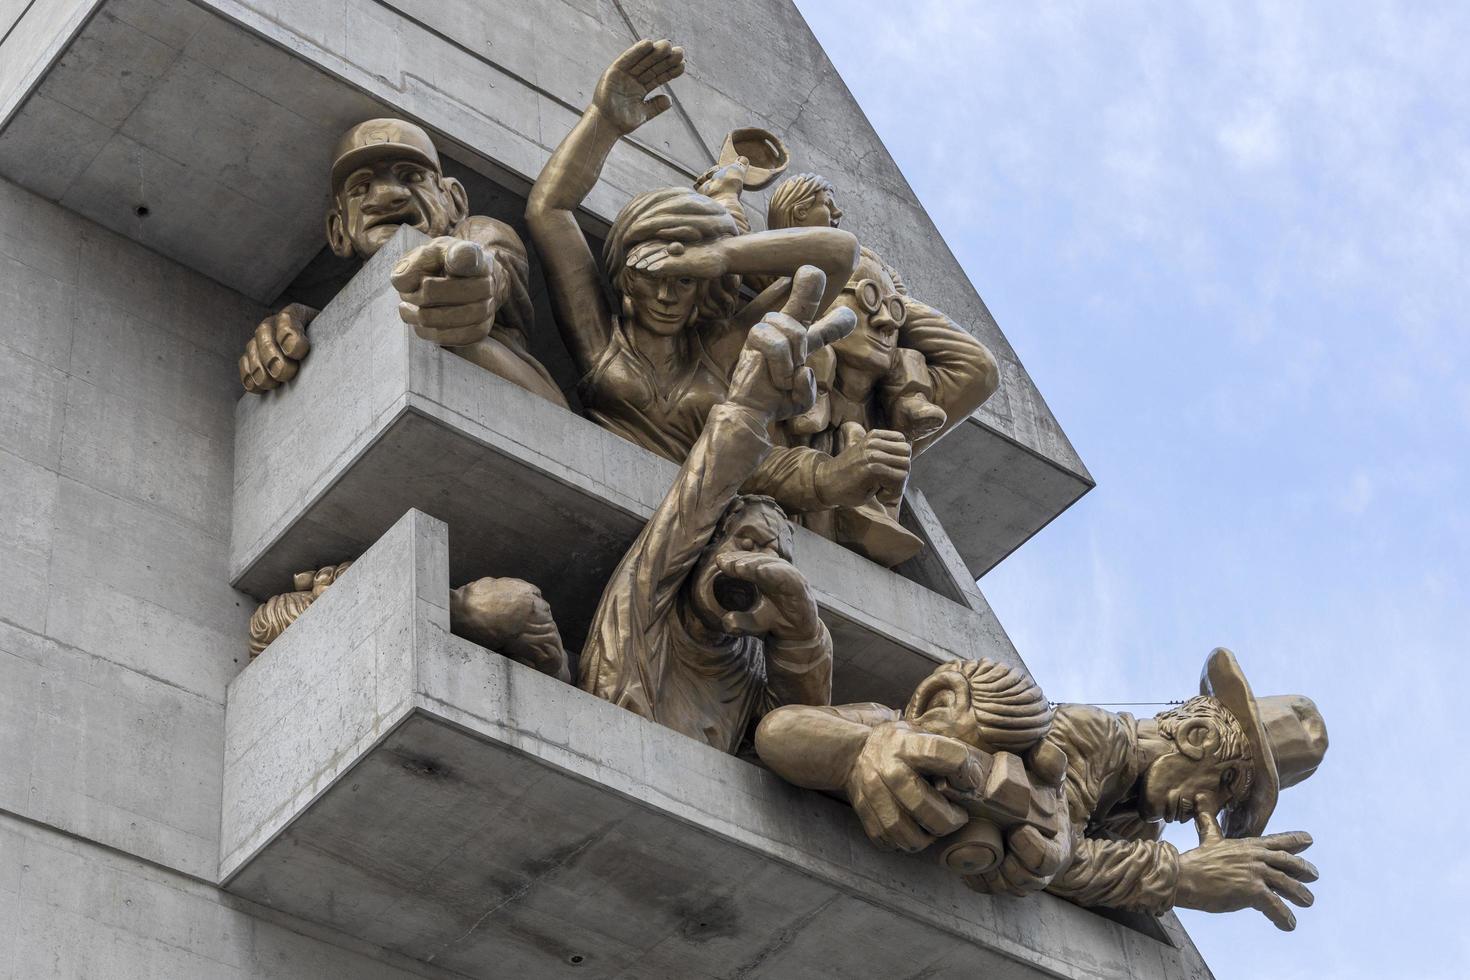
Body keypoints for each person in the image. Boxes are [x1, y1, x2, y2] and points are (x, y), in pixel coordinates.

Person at [526, 40, 904, 519]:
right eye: (649, 277)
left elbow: (840, 254)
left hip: (706, 523)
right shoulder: (602, 340)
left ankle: (726, 189)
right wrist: (603, 121)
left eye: (681, 281)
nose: (665, 294)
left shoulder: (724, 348)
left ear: (702, 287)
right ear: (624, 279)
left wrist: (716, 256)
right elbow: (548, 210)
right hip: (591, 500)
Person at [756, 647, 1327, 930]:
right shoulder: (1096, 736)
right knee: (791, 735)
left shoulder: (1135, 823)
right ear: (1199, 735)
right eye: (1224, 789)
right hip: (869, 781)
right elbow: (1057, 849)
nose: (1204, 816)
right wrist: (1181, 876)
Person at [577, 267, 855, 753]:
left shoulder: (747, 665)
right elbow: (691, 510)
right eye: (746, 544)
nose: (756, 565)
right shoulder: (648, 607)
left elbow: (799, 733)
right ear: (704, 549)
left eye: (774, 559)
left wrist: (801, 633)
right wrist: (749, 408)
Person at [238, 118, 566, 408]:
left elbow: (490, 259)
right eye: (361, 188)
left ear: (454, 200)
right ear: (338, 232)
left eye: (411, 176)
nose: (387, 195)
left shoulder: (478, 230)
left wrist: (472, 276)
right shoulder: (358, 298)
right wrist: (316, 328)